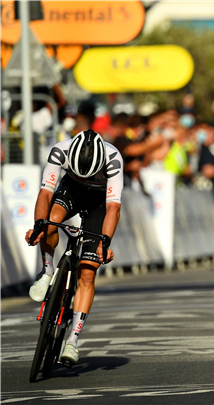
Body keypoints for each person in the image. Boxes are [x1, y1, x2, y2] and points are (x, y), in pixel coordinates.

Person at [25, 130, 124, 366]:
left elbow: (113, 209)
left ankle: (72, 341)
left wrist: (105, 241)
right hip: (72, 191)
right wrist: (38, 225)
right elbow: (45, 193)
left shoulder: (113, 159)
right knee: (50, 224)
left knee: (88, 272)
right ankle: (47, 271)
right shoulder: (60, 150)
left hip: (100, 201)